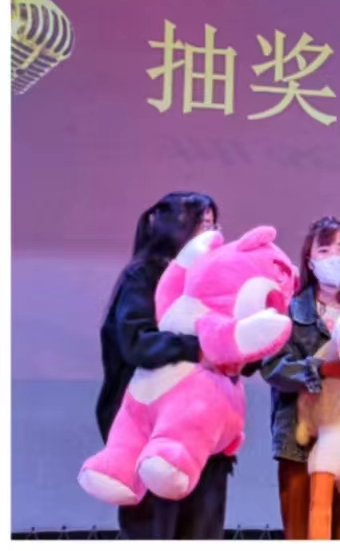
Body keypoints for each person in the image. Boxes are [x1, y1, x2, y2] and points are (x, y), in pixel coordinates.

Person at [95, 192, 228, 538]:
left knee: (202, 529)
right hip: (149, 426)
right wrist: (200, 348)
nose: (213, 234)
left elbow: (230, 337)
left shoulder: (212, 280)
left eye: (214, 225)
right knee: (154, 528)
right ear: (176, 227)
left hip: (202, 429)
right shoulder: (143, 277)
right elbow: (136, 342)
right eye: (203, 225)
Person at [260, 216, 340, 538]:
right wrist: (321, 369)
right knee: (303, 532)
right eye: (325, 251)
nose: (335, 258)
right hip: (301, 444)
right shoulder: (288, 310)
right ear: (310, 262)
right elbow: (272, 367)